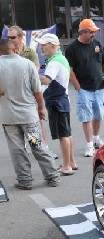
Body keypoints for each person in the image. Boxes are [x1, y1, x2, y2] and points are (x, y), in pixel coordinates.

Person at [0, 39, 60, 189]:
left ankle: (25, 180)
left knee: (17, 149)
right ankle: (52, 177)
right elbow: (37, 90)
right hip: (28, 116)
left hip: (9, 118)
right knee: (37, 145)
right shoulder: (27, 64)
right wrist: (41, 108)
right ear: (14, 49)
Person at [64, 18, 104, 157]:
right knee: (86, 117)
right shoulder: (72, 48)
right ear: (83, 32)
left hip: (98, 87)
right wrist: (77, 86)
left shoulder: (97, 44)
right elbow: (70, 69)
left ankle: (96, 138)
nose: (94, 35)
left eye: (94, 32)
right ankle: (89, 145)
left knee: (98, 115)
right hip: (83, 89)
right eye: (91, 32)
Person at [8, 25, 57, 159]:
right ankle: (23, 150)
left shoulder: (29, 52)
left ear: (20, 37)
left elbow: (34, 70)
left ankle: (43, 149)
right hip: (11, 96)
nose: (10, 40)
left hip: (28, 95)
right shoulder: (6, 52)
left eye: (12, 37)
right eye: (8, 37)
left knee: (36, 123)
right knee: (16, 125)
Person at [37, 33, 77, 175]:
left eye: (44, 44)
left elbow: (47, 80)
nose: (41, 47)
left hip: (57, 101)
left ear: (53, 46)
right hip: (62, 99)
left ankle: (67, 166)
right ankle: (71, 162)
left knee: (62, 135)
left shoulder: (54, 62)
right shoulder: (60, 58)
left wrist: (31, 75)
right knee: (67, 133)